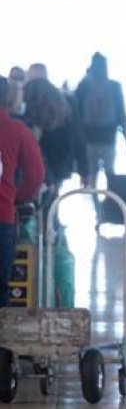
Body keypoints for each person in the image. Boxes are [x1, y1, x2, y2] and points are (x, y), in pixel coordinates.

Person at [0, 76, 47, 307]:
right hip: (3, 217)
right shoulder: (17, 130)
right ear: (8, 100)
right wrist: (17, 196)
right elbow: (36, 173)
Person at [20, 78, 82, 197]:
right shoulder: (64, 109)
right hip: (60, 164)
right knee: (52, 200)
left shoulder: (29, 117)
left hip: (38, 166)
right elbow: (76, 137)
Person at [74, 52, 126, 188]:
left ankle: (96, 203)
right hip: (108, 136)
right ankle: (111, 201)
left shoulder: (83, 86)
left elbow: (76, 113)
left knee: (91, 174)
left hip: (88, 137)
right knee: (110, 173)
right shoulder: (114, 86)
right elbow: (121, 112)